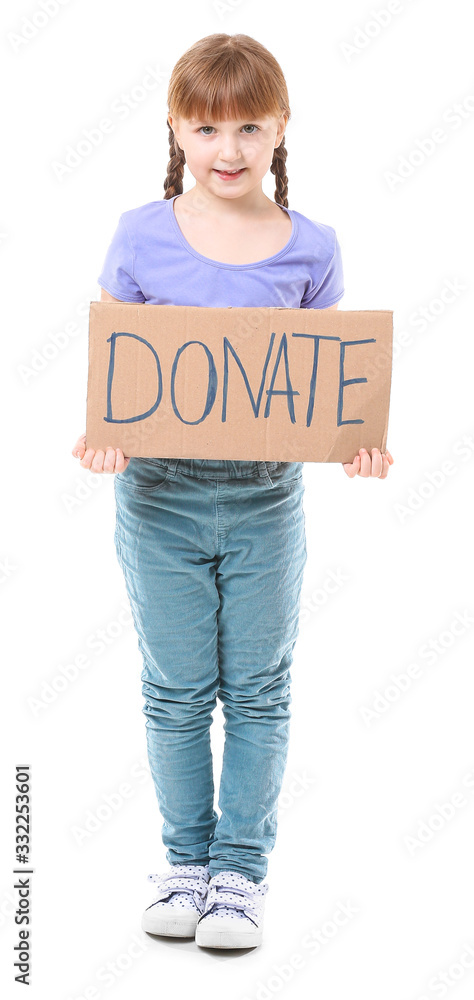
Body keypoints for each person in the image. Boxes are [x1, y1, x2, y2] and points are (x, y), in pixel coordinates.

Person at [72, 32, 393, 951]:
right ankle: (185, 863)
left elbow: (321, 386)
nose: (229, 148)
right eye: (208, 127)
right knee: (176, 689)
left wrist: (357, 445)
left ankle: (240, 874)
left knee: (257, 689)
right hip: (159, 500)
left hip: (265, 502)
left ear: (281, 127)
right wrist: (102, 438)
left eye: (250, 126)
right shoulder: (139, 234)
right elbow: (116, 373)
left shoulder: (314, 247)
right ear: (176, 129)